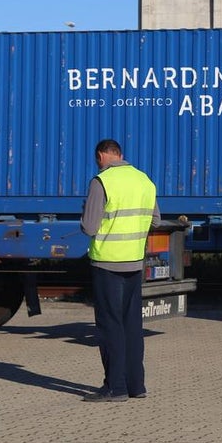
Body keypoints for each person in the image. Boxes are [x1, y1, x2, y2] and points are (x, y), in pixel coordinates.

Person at [80, 138, 161, 403]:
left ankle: (115, 387)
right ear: (121, 154)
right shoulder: (144, 180)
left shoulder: (101, 182)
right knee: (132, 325)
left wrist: (87, 216)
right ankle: (136, 385)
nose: (98, 164)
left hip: (107, 263)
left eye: (98, 160)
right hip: (134, 263)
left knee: (110, 325)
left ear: (103, 155)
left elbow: (90, 227)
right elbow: (156, 220)